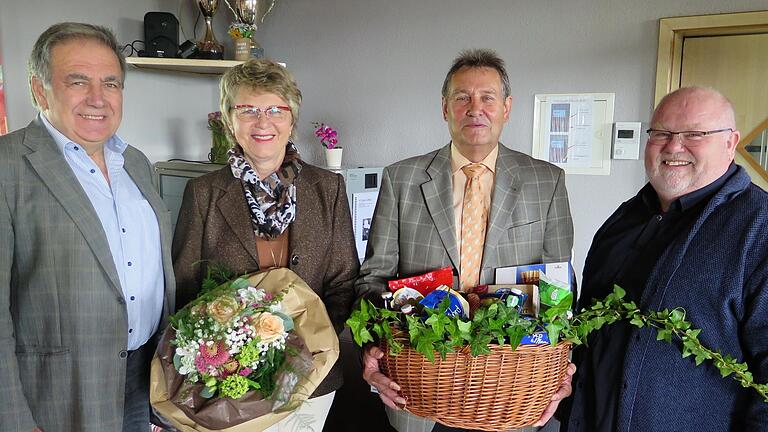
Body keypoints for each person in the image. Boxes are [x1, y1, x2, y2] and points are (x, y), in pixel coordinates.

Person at [355, 49, 576, 432]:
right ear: (445, 107)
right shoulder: (402, 179)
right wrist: (372, 349)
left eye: (487, 97)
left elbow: (559, 288)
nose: (475, 108)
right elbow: (373, 277)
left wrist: (564, 365)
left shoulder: (547, 181)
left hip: (510, 384)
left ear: (507, 107)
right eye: (462, 98)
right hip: (418, 384)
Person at [0, 22, 175, 432]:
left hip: (142, 378)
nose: (98, 98)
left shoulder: (137, 163)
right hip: (55, 395)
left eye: (110, 84)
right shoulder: (7, 166)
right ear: (39, 90)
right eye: (78, 81)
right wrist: (13, 420)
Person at [560, 86, 768, 431]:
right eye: (662, 133)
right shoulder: (624, 219)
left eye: (694, 134)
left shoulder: (758, 228)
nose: (674, 146)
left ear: (730, 143)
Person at [172, 58, 359, 430]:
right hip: (231, 383)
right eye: (248, 110)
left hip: (312, 377)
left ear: (291, 120)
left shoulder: (328, 189)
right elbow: (185, 291)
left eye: (276, 109)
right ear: (228, 120)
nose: (263, 121)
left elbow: (343, 282)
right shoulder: (203, 194)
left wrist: (304, 350)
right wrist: (231, 357)